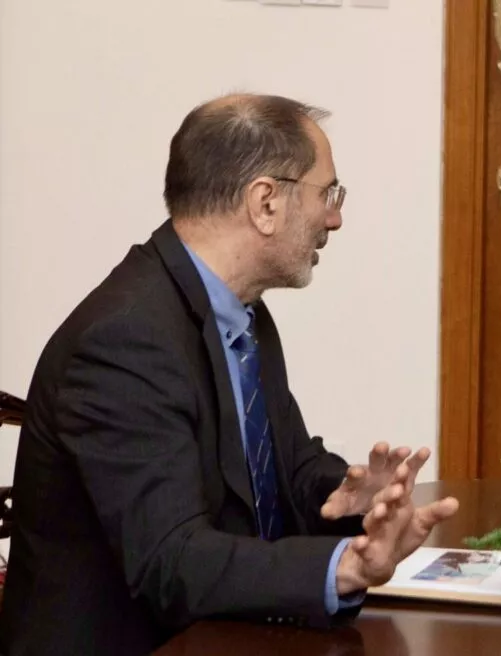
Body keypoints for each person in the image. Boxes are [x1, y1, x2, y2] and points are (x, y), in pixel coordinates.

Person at [0, 94, 459, 655]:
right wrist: (344, 567)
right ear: (265, 203)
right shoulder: (123, 343)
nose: (335, 218)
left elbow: (289, 465)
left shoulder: (241, 312)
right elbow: (172, 562)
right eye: (328, 193)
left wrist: (353, 498)